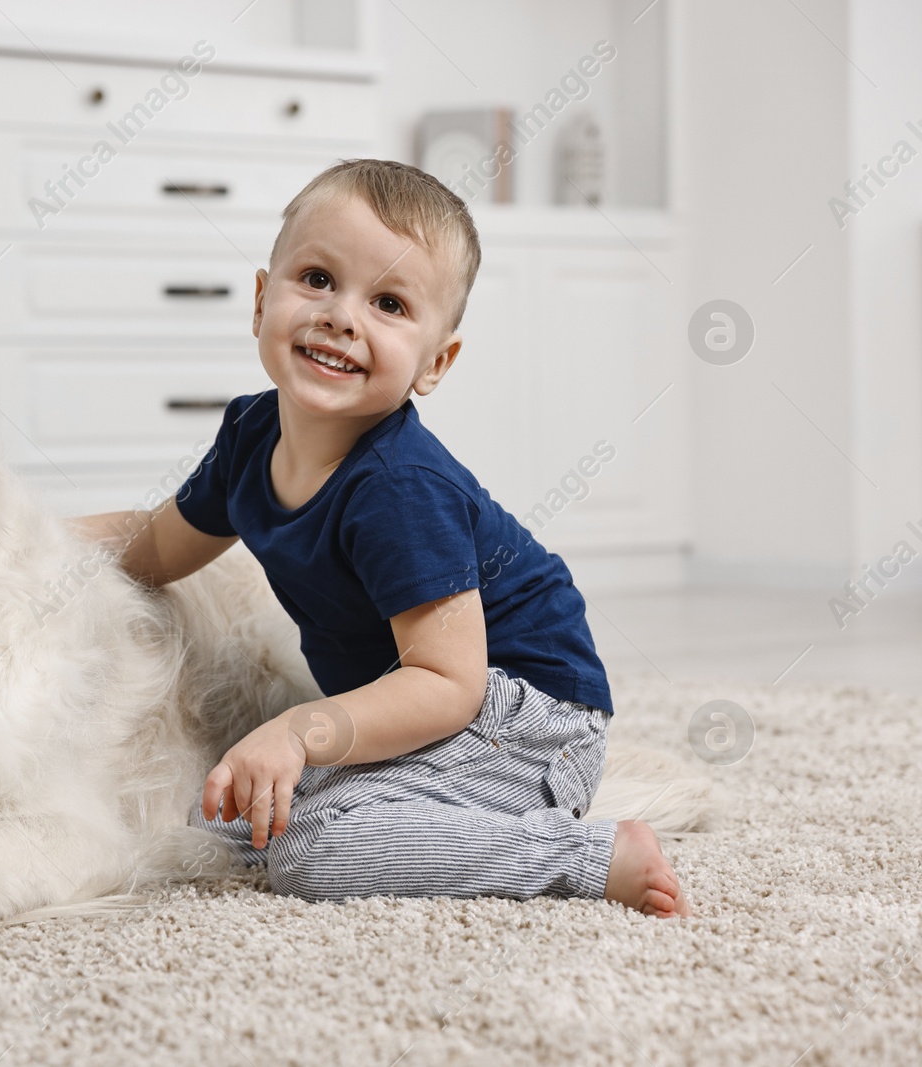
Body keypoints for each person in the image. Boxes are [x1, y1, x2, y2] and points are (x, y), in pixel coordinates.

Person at [71, 159, 689, 917]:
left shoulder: (397, 487)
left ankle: (587, 854)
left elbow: (448, 682)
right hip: (430, 705)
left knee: (305, 847)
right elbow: (158, 547)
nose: (341, 315)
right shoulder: (250, 434)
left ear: (436, 362)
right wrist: (33, 538)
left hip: (523, 716)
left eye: (389, 302)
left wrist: (299, 730)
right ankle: (422, 816)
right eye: (318, 279)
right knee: (231, 811)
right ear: (263, 299)